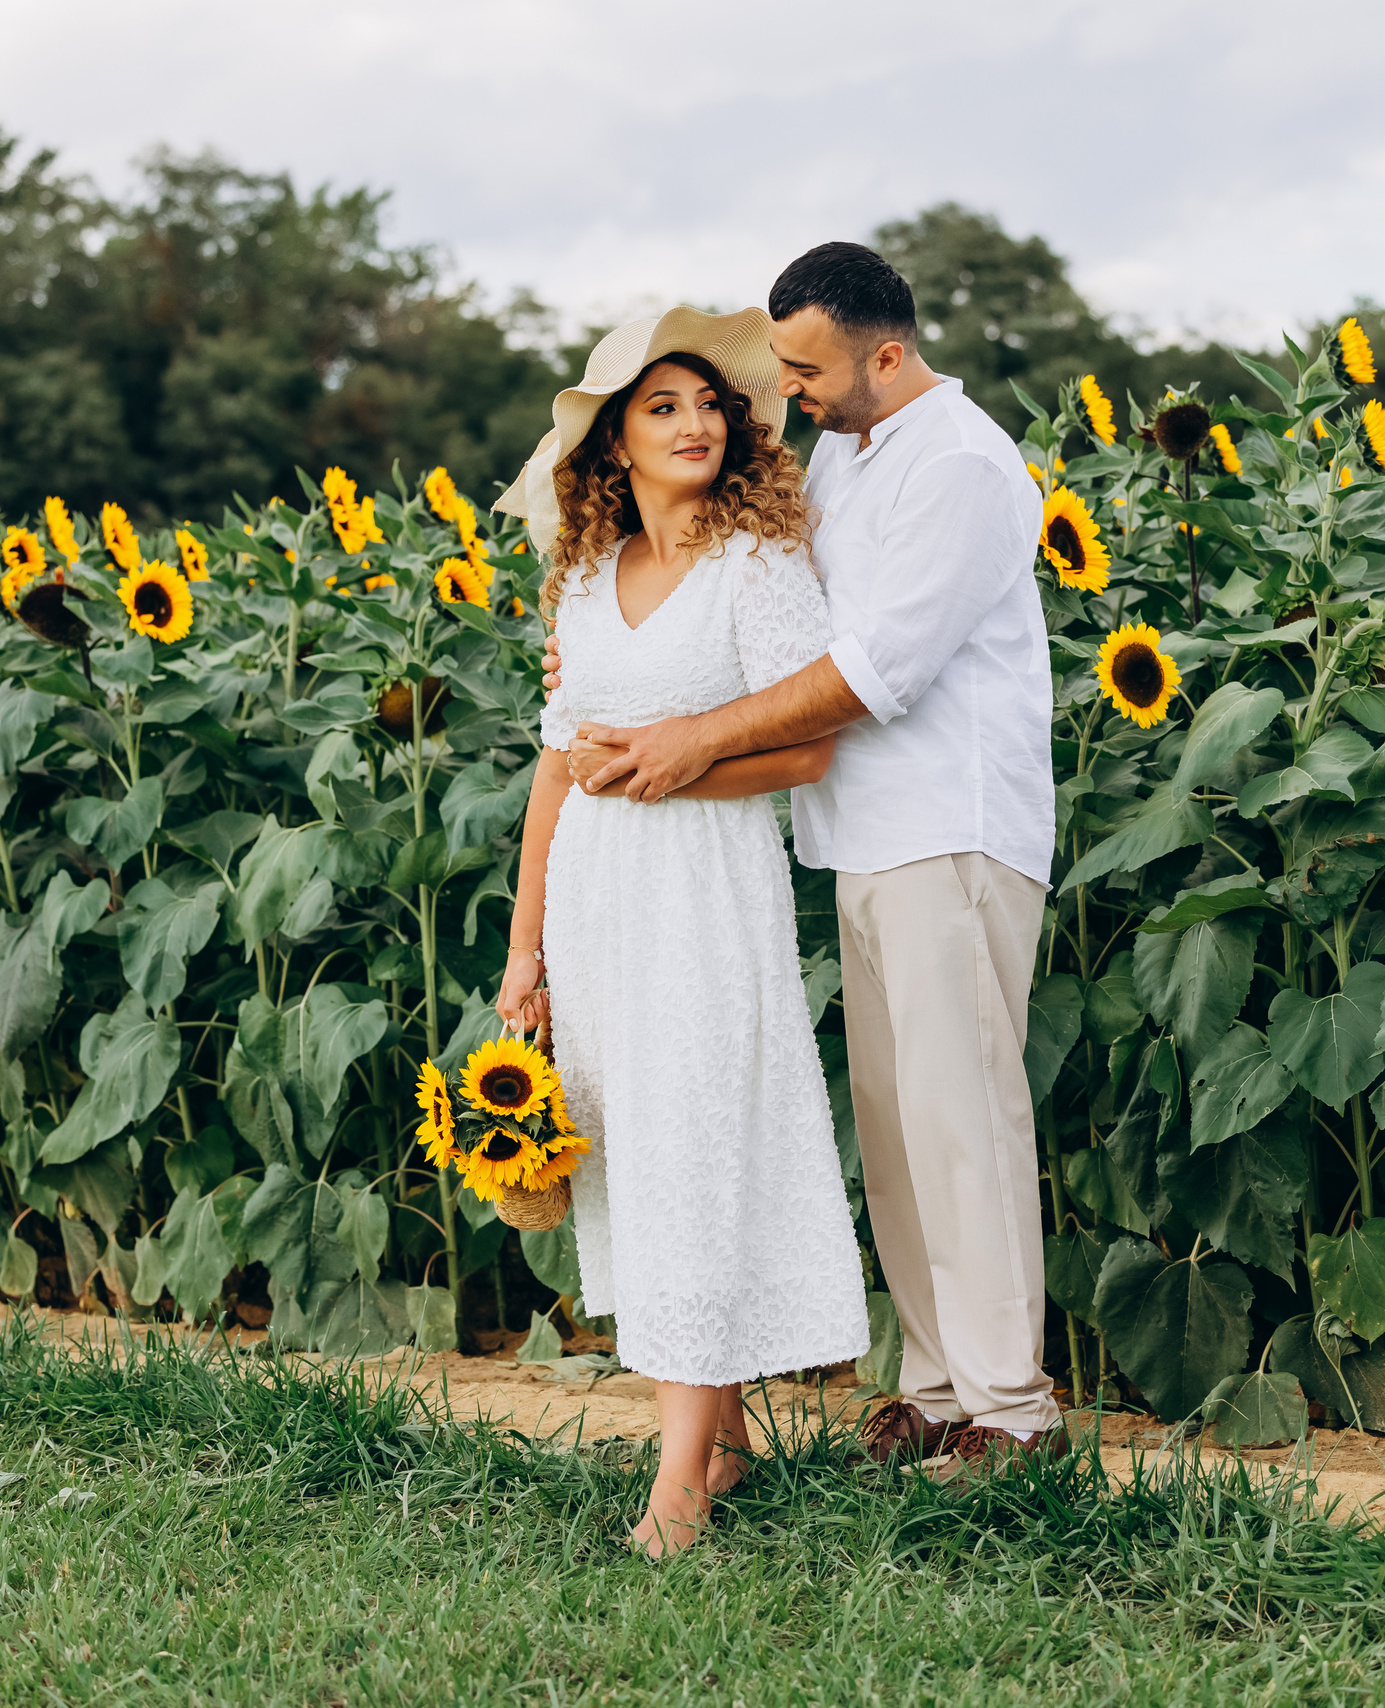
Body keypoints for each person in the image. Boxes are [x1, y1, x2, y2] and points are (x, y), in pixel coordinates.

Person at [547, 243, 1063, 1469]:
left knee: (962, 1114)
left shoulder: (966, 468)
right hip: (864, 839)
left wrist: (683, 740)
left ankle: (1012, 1409)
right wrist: (608, 663)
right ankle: (936, 1390)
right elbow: (757, 602)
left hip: (953, 822)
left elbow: (867, 672)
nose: (785, 392)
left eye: (806, 367)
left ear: (886, 355)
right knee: (894, 1120)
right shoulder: (849, 447)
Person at [489, 306, 868, 1558]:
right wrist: (522, 952)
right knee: (637, 1157)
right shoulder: (588, 584)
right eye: (663, 407)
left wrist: (667, 775)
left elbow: (809, 743)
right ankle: (731, 1442)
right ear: (612, 446)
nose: (696, 423)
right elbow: (556, 774)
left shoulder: (756, 565)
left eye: (708, 403)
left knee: (698, 1149)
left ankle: (675, 1488)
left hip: (705, 894)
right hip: (597, 908)